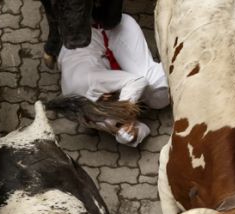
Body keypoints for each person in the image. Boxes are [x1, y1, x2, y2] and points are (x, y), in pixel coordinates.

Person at [56, 13, 169, 146]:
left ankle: (183, 61)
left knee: (158, 94)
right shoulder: (88, 114)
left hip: (112, 28)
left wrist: (124, 111)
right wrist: (127, 135)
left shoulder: (91, 82)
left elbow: (138, 81)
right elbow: (135, 129)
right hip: (90, 50)